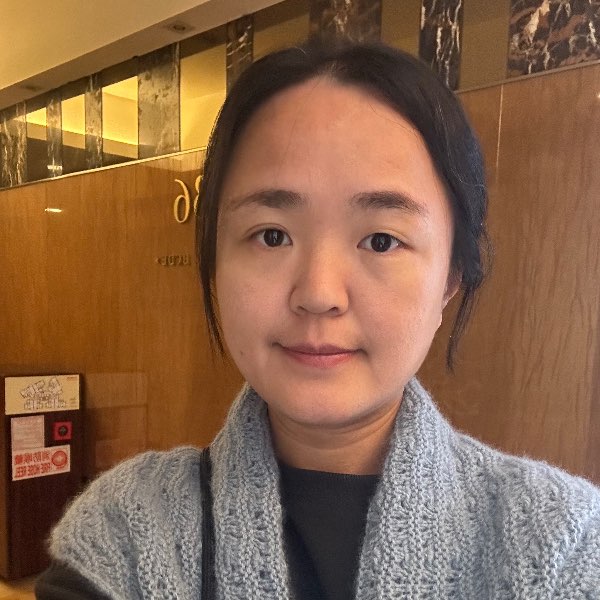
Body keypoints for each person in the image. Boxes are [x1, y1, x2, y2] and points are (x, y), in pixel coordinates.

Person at [36, 38, 599, 599]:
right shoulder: (127, 536)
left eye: (381, 240)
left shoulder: (563, 544)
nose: (319, 294)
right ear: (215, 261)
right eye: (272, 235)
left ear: (450, 279)